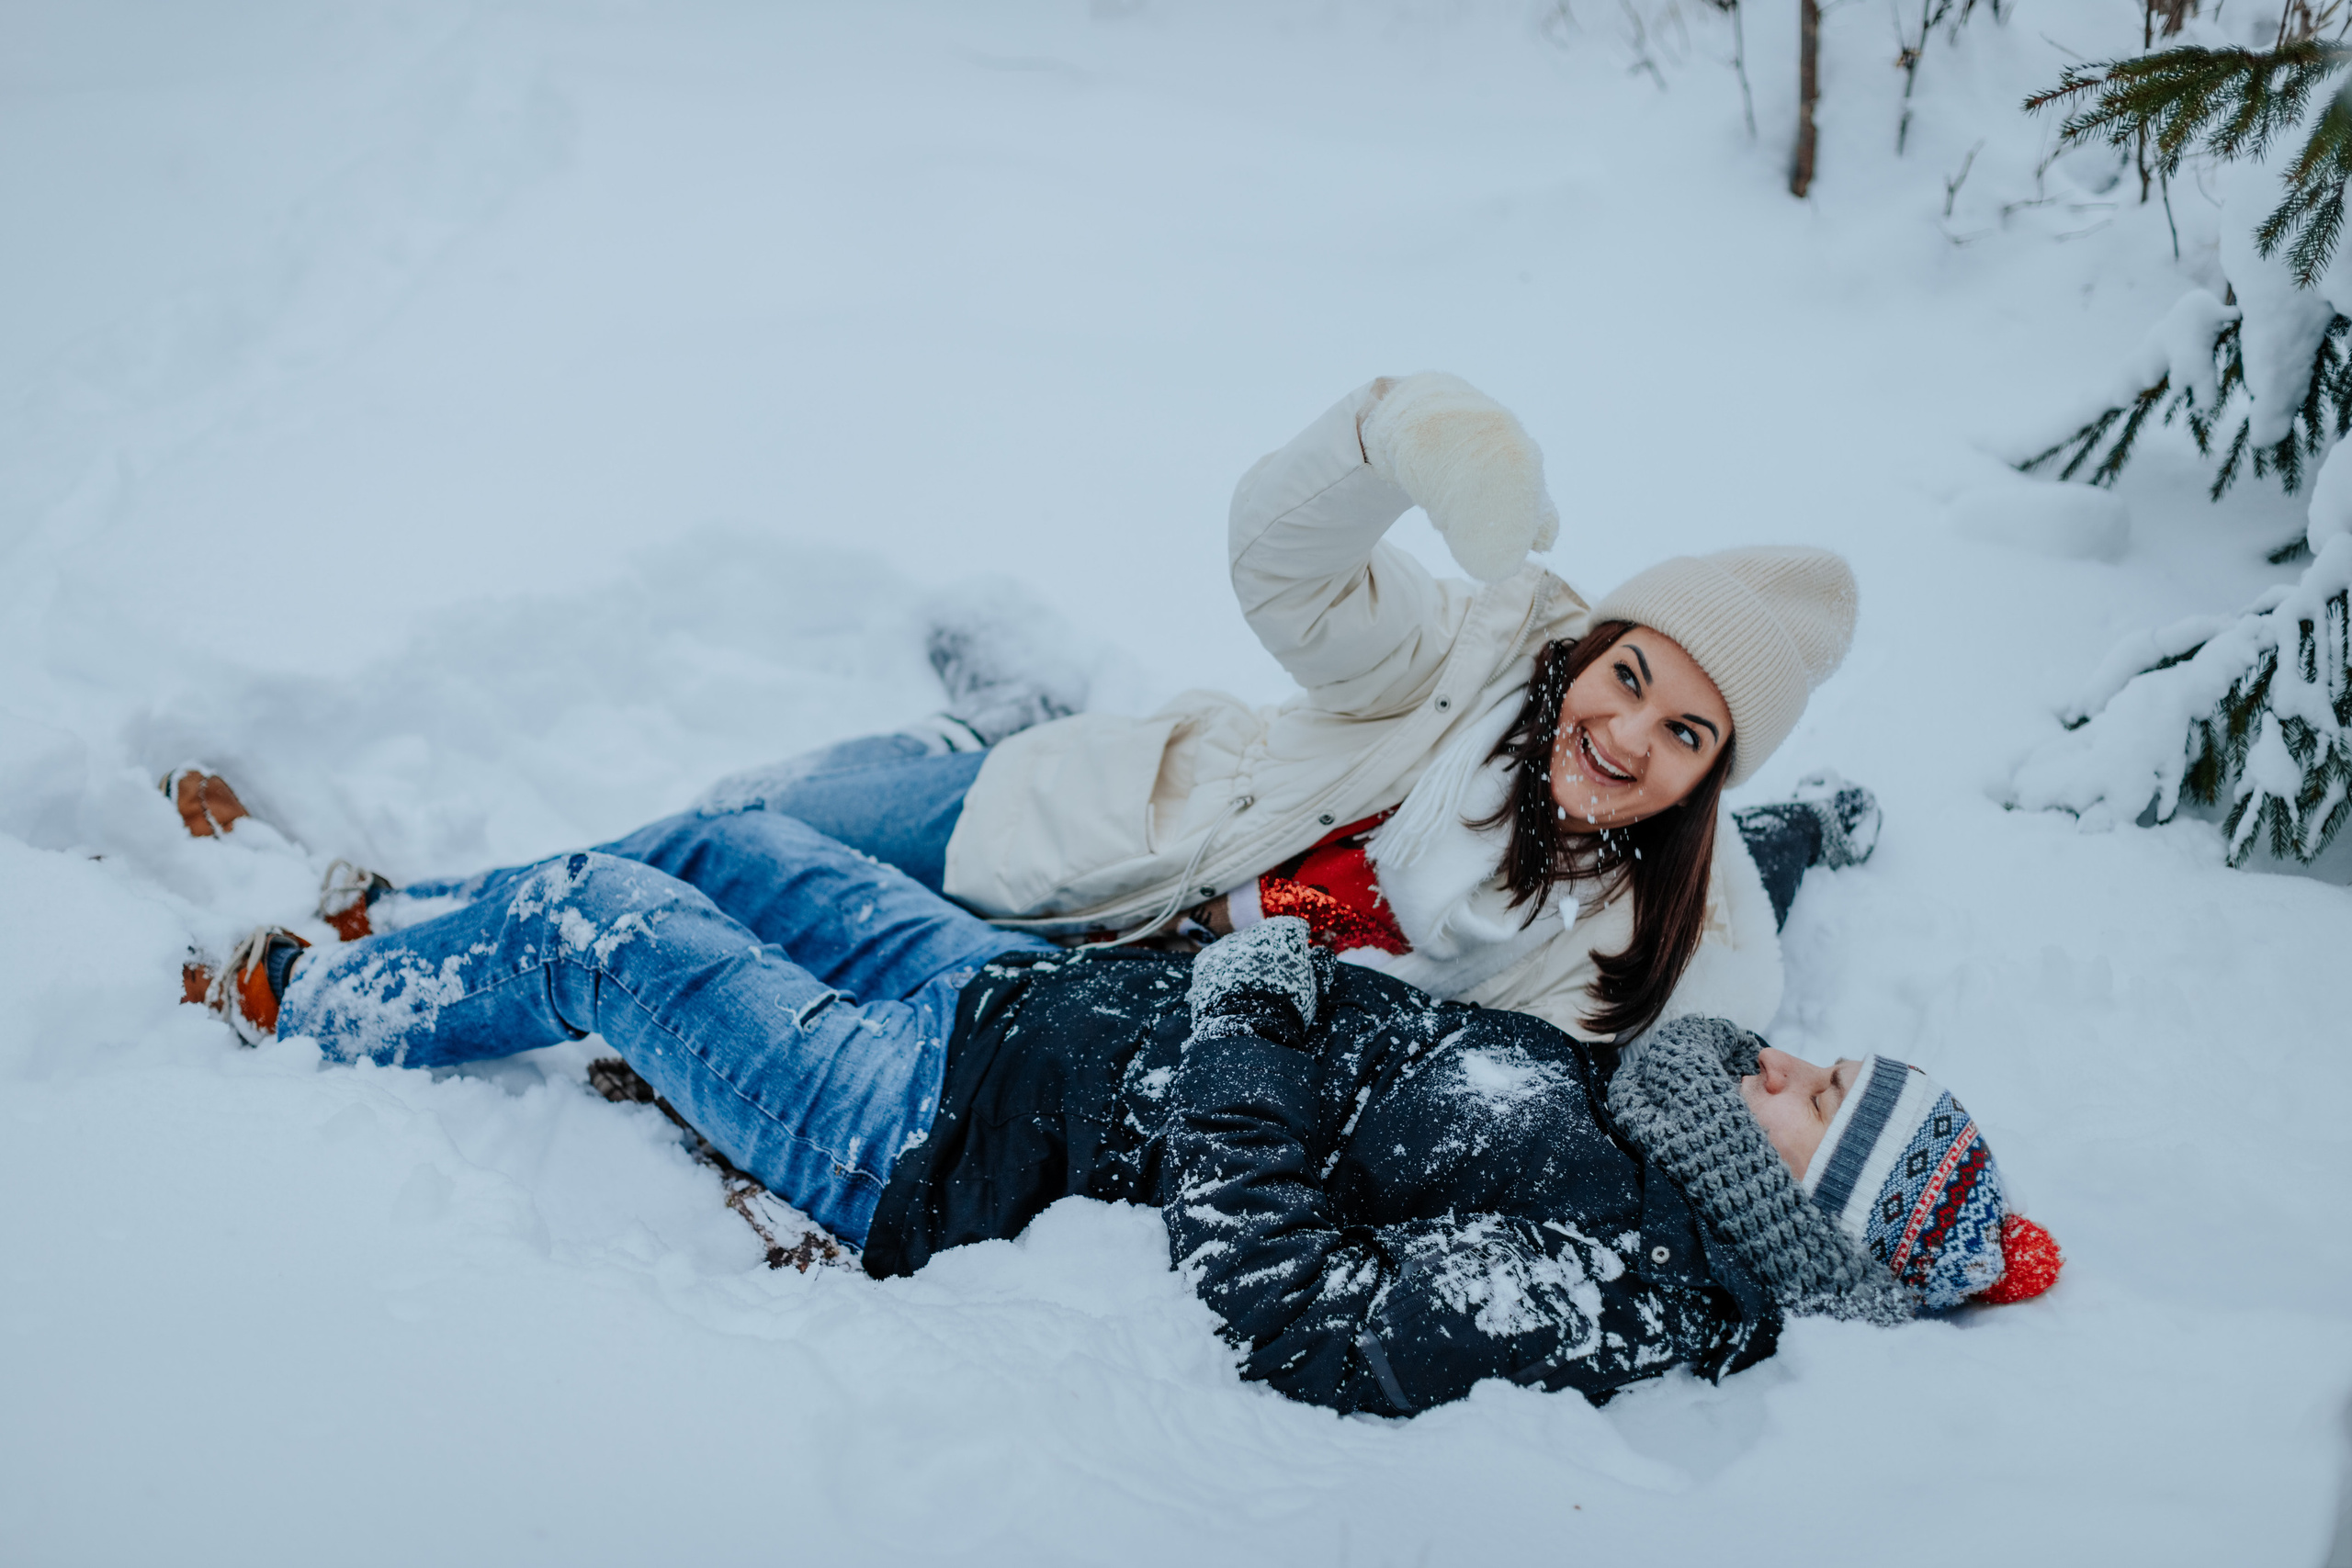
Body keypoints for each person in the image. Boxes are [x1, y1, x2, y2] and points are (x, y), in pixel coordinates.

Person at [187, 818, 2058, 1416]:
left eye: (1821, 1103)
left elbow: (1299, 1311)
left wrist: (1246, 1019)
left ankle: (299, 1000)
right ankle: (427, 927)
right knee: (714, 848)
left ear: (1820, 1228)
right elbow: (1647, 917)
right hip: (1011, 993)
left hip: (923, 1131)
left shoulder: (1623, 1280)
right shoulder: (1653, 1108)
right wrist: (1787, 827)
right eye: (1827, 1063)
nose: (1786, 1065)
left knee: (608, 923)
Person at [692, 372, 1878, 1047]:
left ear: (1715, 775)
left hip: (1113, 998)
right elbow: (1293, 576)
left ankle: (987, 724)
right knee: (736, 828)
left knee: (792, 946)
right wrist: (1395, 439)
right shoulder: (1462, 663)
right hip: (1089, 832)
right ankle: (961, 738)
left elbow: (1691, 1073)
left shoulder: (1652, 916)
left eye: (1687, 733)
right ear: (1586, 655)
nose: (1629, 738)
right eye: (1630, 678)